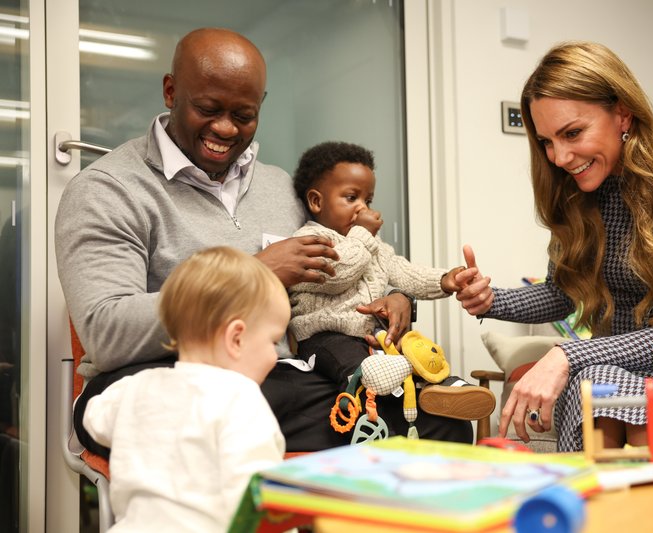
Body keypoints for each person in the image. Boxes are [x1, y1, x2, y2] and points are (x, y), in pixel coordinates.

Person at [55, 27, 472, 456]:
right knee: (200, 416)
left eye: (244, 115)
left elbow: (349, 271)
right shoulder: (107, 189)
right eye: (207, 108)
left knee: (442, 421)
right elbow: (107, 332)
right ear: (170, 90)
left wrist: (399, 295)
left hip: (282, 375)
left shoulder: (281, 189)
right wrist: (252, 273)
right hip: (162, 377)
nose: (224, 128)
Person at [454, 41, 653, 452]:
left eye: (572, 133)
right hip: (604, 370)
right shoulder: (577, 192)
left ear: (622, 113)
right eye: (547, 141)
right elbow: (563, 294)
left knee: (651, 407)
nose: (560, 157)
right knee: (597, 389)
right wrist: (491, 300)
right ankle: (592, 512)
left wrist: (565, 355)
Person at [289, 141, 495, 424]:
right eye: (351, 198)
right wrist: (363, 233)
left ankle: (445, 387)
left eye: (368, 200)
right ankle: (361, 396)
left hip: (369, 336)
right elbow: (337, 272)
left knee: (413, 348)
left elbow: (403, 272)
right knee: (352, 361)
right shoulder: (307, 240)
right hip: (324, 337)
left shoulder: (369, 242)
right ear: (316, 201)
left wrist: (446, 280)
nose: (363, 208)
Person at [83, 246, 288, 531]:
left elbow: (95, 418)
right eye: (274, 341)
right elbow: (257, 498)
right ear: (236, 338)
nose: (275, 355)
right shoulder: (241, 400)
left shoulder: (136, 387)